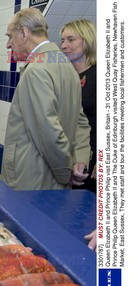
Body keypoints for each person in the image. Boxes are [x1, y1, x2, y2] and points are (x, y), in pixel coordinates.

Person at [1, 7, 91, 190]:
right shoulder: (67, 65)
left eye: (10, 36)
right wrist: (79, 160)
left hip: (33, 179)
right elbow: (81, 121)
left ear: (24, 33)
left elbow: (49, 131)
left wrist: (65, 172)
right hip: (54, 179)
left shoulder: (36, 70)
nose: (8, 44)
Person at [61, 19, 97, 193]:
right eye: (62, 40)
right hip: (70, 157)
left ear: (87, 40)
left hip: (93, 160)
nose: (64, 46)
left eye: (70, 39)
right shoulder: (67, 77)